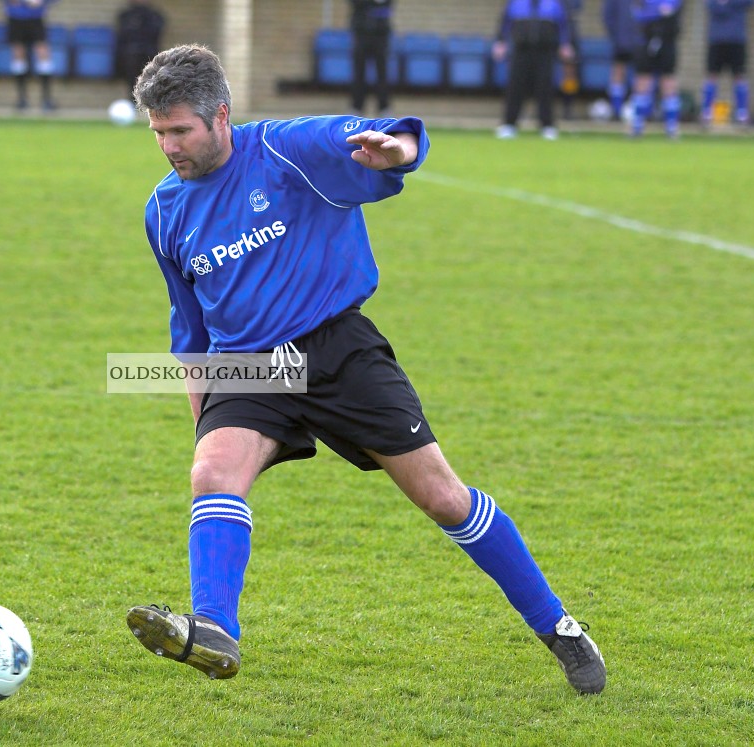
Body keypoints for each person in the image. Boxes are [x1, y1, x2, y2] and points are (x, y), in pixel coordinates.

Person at [124, 44, 606, 696]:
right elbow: (191, 333)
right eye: (157, 132)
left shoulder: (287, 150)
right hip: (249, 368)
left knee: (442, 495)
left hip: (338, 351)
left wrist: (399, 152)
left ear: (222, 115)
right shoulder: (164, 211)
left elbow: (388, 133)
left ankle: (559, 625)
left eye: (180, 130)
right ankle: (213, 627)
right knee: (212, 471)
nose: (168, 146)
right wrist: (205, 419)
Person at [492, 0, 575, 140]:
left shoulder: (554, 3)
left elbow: (563, 25)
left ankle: (547, 125)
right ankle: (509, 124)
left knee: (545, 87)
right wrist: (501, 42)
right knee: (515, 87)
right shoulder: (516, 3)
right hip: (520, 51)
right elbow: (505, 23)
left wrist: (565, 44)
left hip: (545, 52)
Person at [628, 0, 682, 137]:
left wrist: (659, 11)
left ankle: (671, 126)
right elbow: (637, 12)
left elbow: (673, 10)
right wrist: (656, 12)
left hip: (667, 41)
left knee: (668, 81)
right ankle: (637, 125)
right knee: (642, 79)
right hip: (646, 38)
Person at [700, 0, 754, 128]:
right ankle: (707, 113)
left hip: (737, 39)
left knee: (739, 76)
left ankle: (742, 114)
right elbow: (711, 6)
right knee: (711, 75)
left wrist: (727, 3)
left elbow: (750, 3)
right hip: (716, 39)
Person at [1, 0, 56, 111]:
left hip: (36, 18)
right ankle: (22, 99)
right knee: (18, 54)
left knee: (43, 53)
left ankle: (46, 99)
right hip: (16, 17)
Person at [348, 0, 395, 116]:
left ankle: (384, 108)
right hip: (361, 33)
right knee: (359, 73)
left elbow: (386, 7)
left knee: (382, 74)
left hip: (381, 35)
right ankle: (356, 107)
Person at [114, 0, 163, 99]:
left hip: (149, 53)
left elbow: (155, 33)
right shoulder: (126, 15)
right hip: (130, 55)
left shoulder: (154, 16)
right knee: (132, 80)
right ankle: (133, 100)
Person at [602, 0, 642, 119]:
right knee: (618, 71)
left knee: (641, 75)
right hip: (621, 40)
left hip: (641, 42)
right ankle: (617, 110)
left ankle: (639, 111)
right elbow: (607, 15)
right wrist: (616, 34)